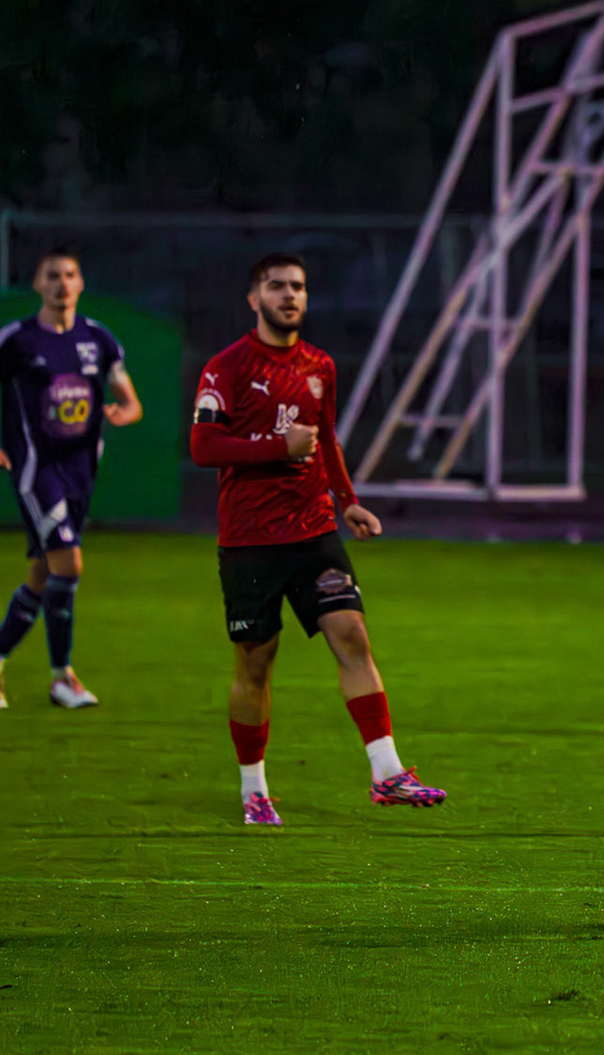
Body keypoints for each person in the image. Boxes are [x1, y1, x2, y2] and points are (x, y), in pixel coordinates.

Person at [190, 253, 445, 826]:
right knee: (256, 664)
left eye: (298, 287)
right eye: (277, 286)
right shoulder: (226, 367)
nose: (290, 295)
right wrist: (275, 449)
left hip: (313, 531)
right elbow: (203, 448)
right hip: (250, 541)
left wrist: (348, 499)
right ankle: (254, 787)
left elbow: (324, 438)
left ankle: (387, 772)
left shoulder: (319, 365)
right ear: (254, 298)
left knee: (352, 634)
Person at [0, 247, 143, 710]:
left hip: (81, 471)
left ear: (81, 283)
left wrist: (127, 410)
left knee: (42, 576)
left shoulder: (99, 340)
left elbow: (129, 396)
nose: (62, 283)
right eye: (52, 276)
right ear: (38, 285)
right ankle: (63, 678)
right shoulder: (17, 339)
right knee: (69, 566)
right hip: (35, 469)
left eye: (70, 275)